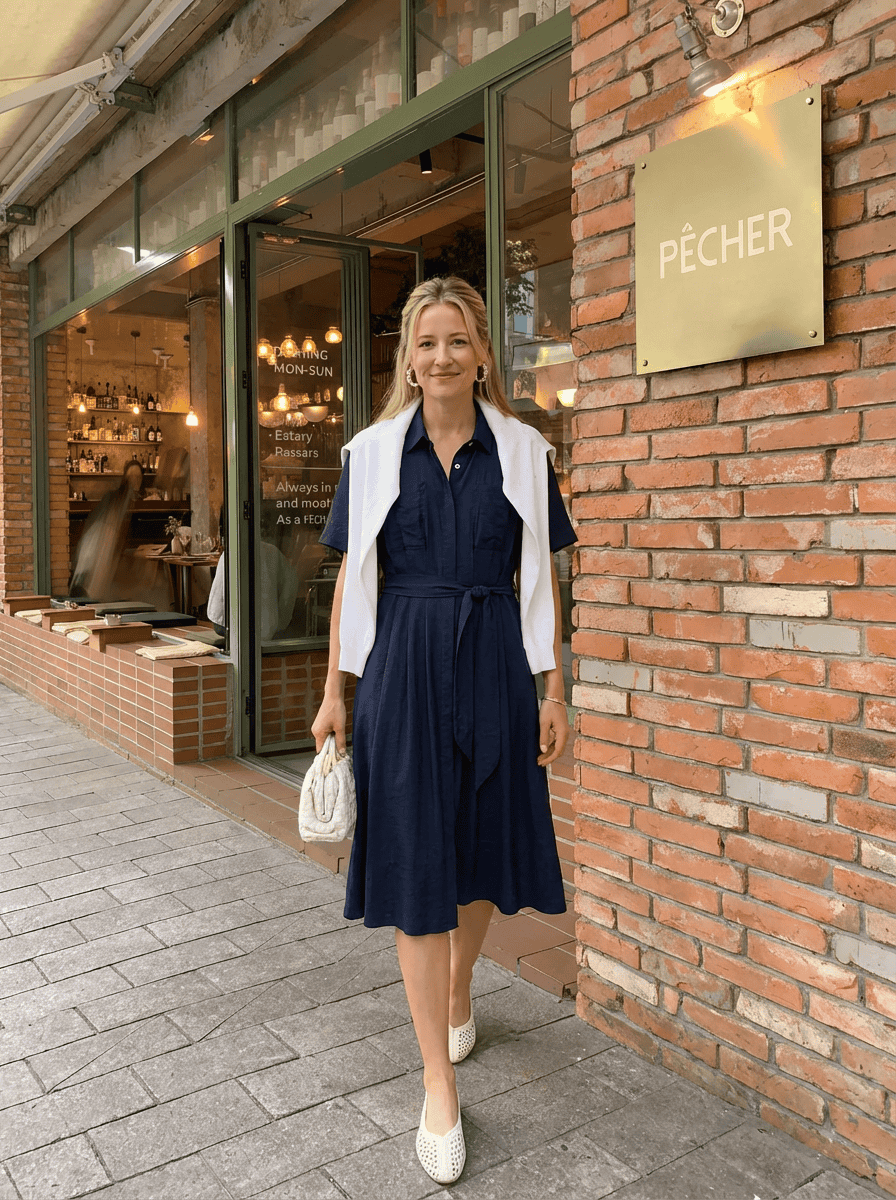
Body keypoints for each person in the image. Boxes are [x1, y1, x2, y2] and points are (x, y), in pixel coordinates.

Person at [312, 276, 576, 1185]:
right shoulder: (372, 453)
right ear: (408, 359)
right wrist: (335, 690)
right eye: (426, 342)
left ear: (483, 354)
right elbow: (352, 578)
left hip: (497, 661)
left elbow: (543, 575)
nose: (442, 356)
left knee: (483, 847)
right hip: (404, 667)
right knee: (418, 859)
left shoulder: (526, 452)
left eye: (458, 339)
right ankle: (438, 1081)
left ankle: (462, 983)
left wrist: (553, 687)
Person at [69, 460, 145, 599]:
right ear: (125, 478)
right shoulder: (115, 498)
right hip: (99, 548)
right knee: (91, 588)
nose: (135, 480)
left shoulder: (136, 499)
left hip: (106, 551)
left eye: (138, 477)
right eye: (131, 477)